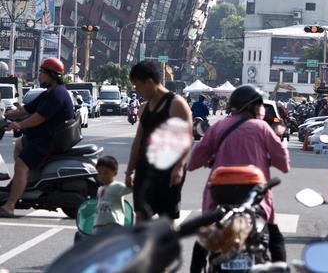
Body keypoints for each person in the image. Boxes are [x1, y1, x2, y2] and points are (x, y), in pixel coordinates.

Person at [188, 84, 290, 272]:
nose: (261, 109)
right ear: (250, 106)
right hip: (255, 198)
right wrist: (267, 159)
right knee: (274, 236)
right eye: (259, 105)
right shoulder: (262, 128)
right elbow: (284, 163)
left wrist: (211, 160)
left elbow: (193, 162)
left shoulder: (219, 126)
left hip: (220, 198)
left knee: (205, 239)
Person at [0, 58, 75, 217]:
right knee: (19, 144)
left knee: (21, 165)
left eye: (42, 72)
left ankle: (10, 206)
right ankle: (26, 180)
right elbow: (25, 110)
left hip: (48, 141)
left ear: (52, 75)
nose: (39, 75)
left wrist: (19, 125)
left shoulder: (57, 94)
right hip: (42, 137)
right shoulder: (48, 93)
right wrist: (4, 115)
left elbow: (38, 118)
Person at [125, 61, 192, 224]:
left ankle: (167, 249)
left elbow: (187, 139)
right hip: (145, 168)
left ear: (149, 82)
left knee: (166, 220)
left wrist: (179, 167)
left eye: (138, 86)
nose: (137, 91)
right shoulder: (144, 107)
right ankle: (142, 249)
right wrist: (129, 171)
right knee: (140, 217)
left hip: (169, 171)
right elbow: (138, 140)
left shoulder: (176, 104)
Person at [93, 155, 131, 233]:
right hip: (99, 224)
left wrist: (130, 177)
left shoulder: (117, 186)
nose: (102, 176)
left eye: (106, 173)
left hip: (114, 224)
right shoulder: (100, 189)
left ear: (115, 173)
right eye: (99, 173)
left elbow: (130, 188)